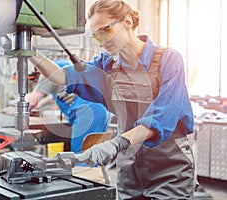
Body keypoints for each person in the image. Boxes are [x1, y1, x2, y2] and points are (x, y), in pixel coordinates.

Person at [29, 0, 195, 199]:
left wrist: (115, 144)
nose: (100, 41)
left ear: (126, 22)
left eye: (104, 31)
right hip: (130, 168)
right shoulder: (107, 66)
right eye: (95, 37)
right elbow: (60, 76)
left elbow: (161, 116)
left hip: (169, 166)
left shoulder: (168, 60)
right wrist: (28, 49)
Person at [26, 59, 112, 154]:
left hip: (87, 114)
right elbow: (56, 95)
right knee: (94, 153)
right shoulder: (65, 66)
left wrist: (17, 106)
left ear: (38, 72)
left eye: (36, 81)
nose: (37, 82)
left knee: (80, 155)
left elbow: (32, 101)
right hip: (101, 111)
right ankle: (91, 169)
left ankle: (83, 168)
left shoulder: (48, 71)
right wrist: (40, 105)